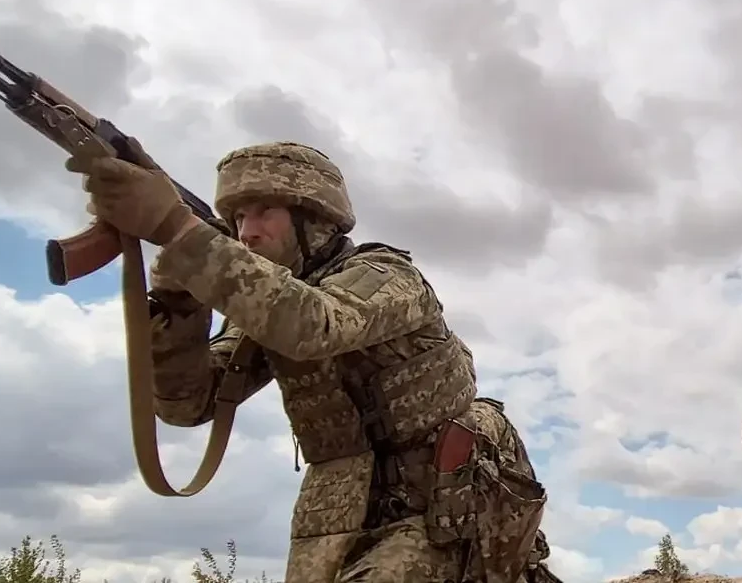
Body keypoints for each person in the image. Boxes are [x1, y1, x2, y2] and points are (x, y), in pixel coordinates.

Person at [67, 140, 562, 583]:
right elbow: (188, 404)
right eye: (238, 219)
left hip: (443, 500)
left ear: (315, 220)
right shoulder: (265, 305)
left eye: (265, 212)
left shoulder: (386, 274)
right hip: (340, 503)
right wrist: (179, 306)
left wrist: (180, 232)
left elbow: (314, 324)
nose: (247, 233)